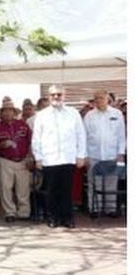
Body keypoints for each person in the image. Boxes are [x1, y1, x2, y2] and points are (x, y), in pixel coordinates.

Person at [31, 84, 87, 228]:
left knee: (67, 190)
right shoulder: (42, 115)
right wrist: (38, 157)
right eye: (53, 95)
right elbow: (36, 138)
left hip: (68, 157)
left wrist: (81, 155)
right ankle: (52, 218)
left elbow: (81, 135)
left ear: (64, 95)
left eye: (59, 94)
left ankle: (67, 218)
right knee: (51, 191)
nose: (56, 97)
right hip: (49, 159)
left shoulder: (73, 113)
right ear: (49, 97)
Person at [0, 96, 32, 222]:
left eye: (10, 110)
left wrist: (30, 156)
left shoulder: (23, 125)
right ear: (1, 113)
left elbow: (31, 141)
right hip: (5, 160)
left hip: (23, 160)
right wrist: (1, 145)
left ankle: (24, 212)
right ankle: (9, 212)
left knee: (23, 188)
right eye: (4, 111)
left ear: (14, 112)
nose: (7, 113)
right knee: (5, 188)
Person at [82, 89, 126, 217]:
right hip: (93, 154)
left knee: (111, 182)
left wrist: (121, 153)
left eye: (101, 98)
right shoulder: (89, 115)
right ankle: (94, 208)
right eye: (96, 98)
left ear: (108, 99)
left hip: (112, 154)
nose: (98, 100)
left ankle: (110, 209)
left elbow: (121, 135)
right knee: (93, 183)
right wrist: (85, 155)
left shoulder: (117, 113)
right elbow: (83, 136)